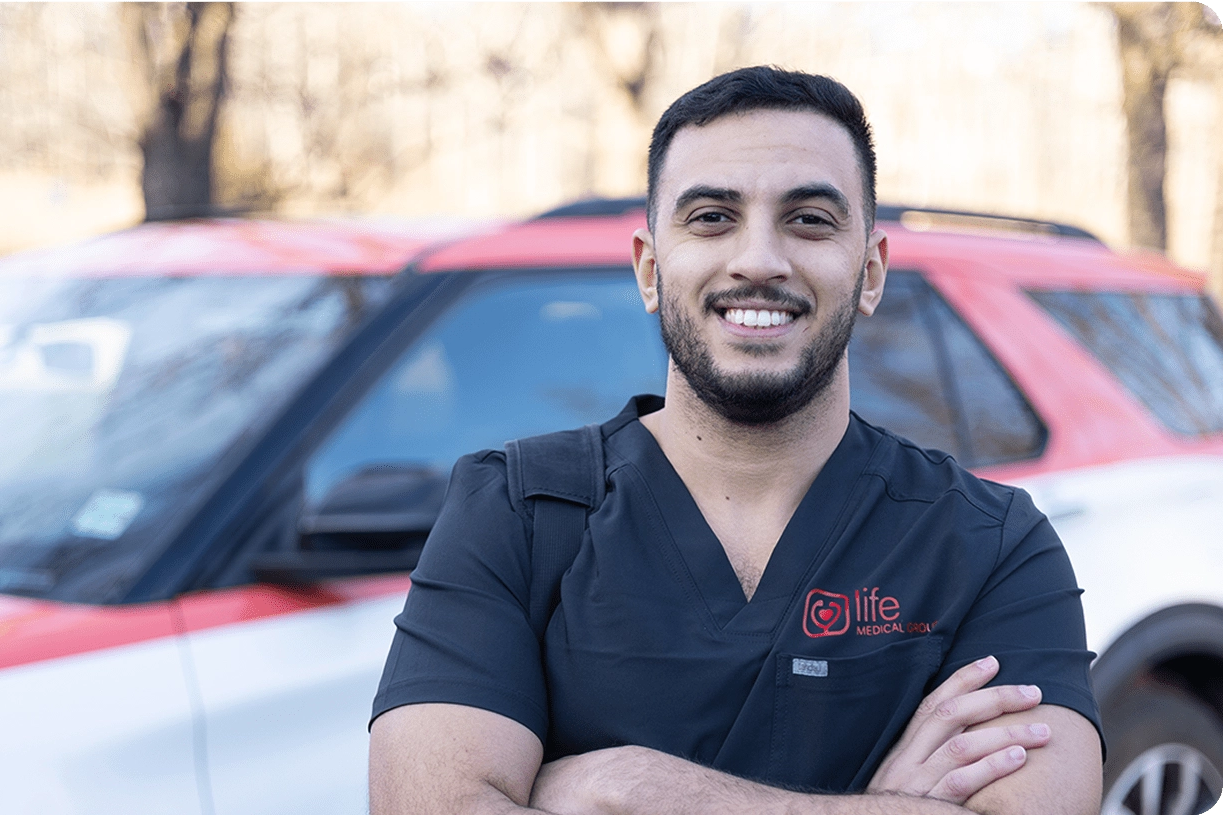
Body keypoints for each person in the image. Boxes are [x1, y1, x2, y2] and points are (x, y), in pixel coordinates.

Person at [368, 66, 1104, 815]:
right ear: (651, 270)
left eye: (810, 219)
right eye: (713, 217)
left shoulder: (990, 545)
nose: (758, 259)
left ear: (871, 271)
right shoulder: (517, 512)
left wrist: (624, 788)